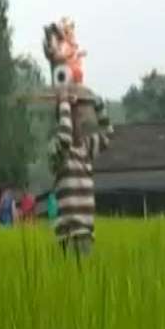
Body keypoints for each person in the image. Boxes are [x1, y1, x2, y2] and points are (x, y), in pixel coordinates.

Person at [51, 93, 113, 256]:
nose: (79, 122)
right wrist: (64, 103)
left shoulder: (86, 147)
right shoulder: (57, 151)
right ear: (64, 121)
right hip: (69, 234)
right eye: (74, 118)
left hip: (86, 232)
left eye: (79, 117)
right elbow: (64, 139)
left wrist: (98, 105)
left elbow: (108, 134)